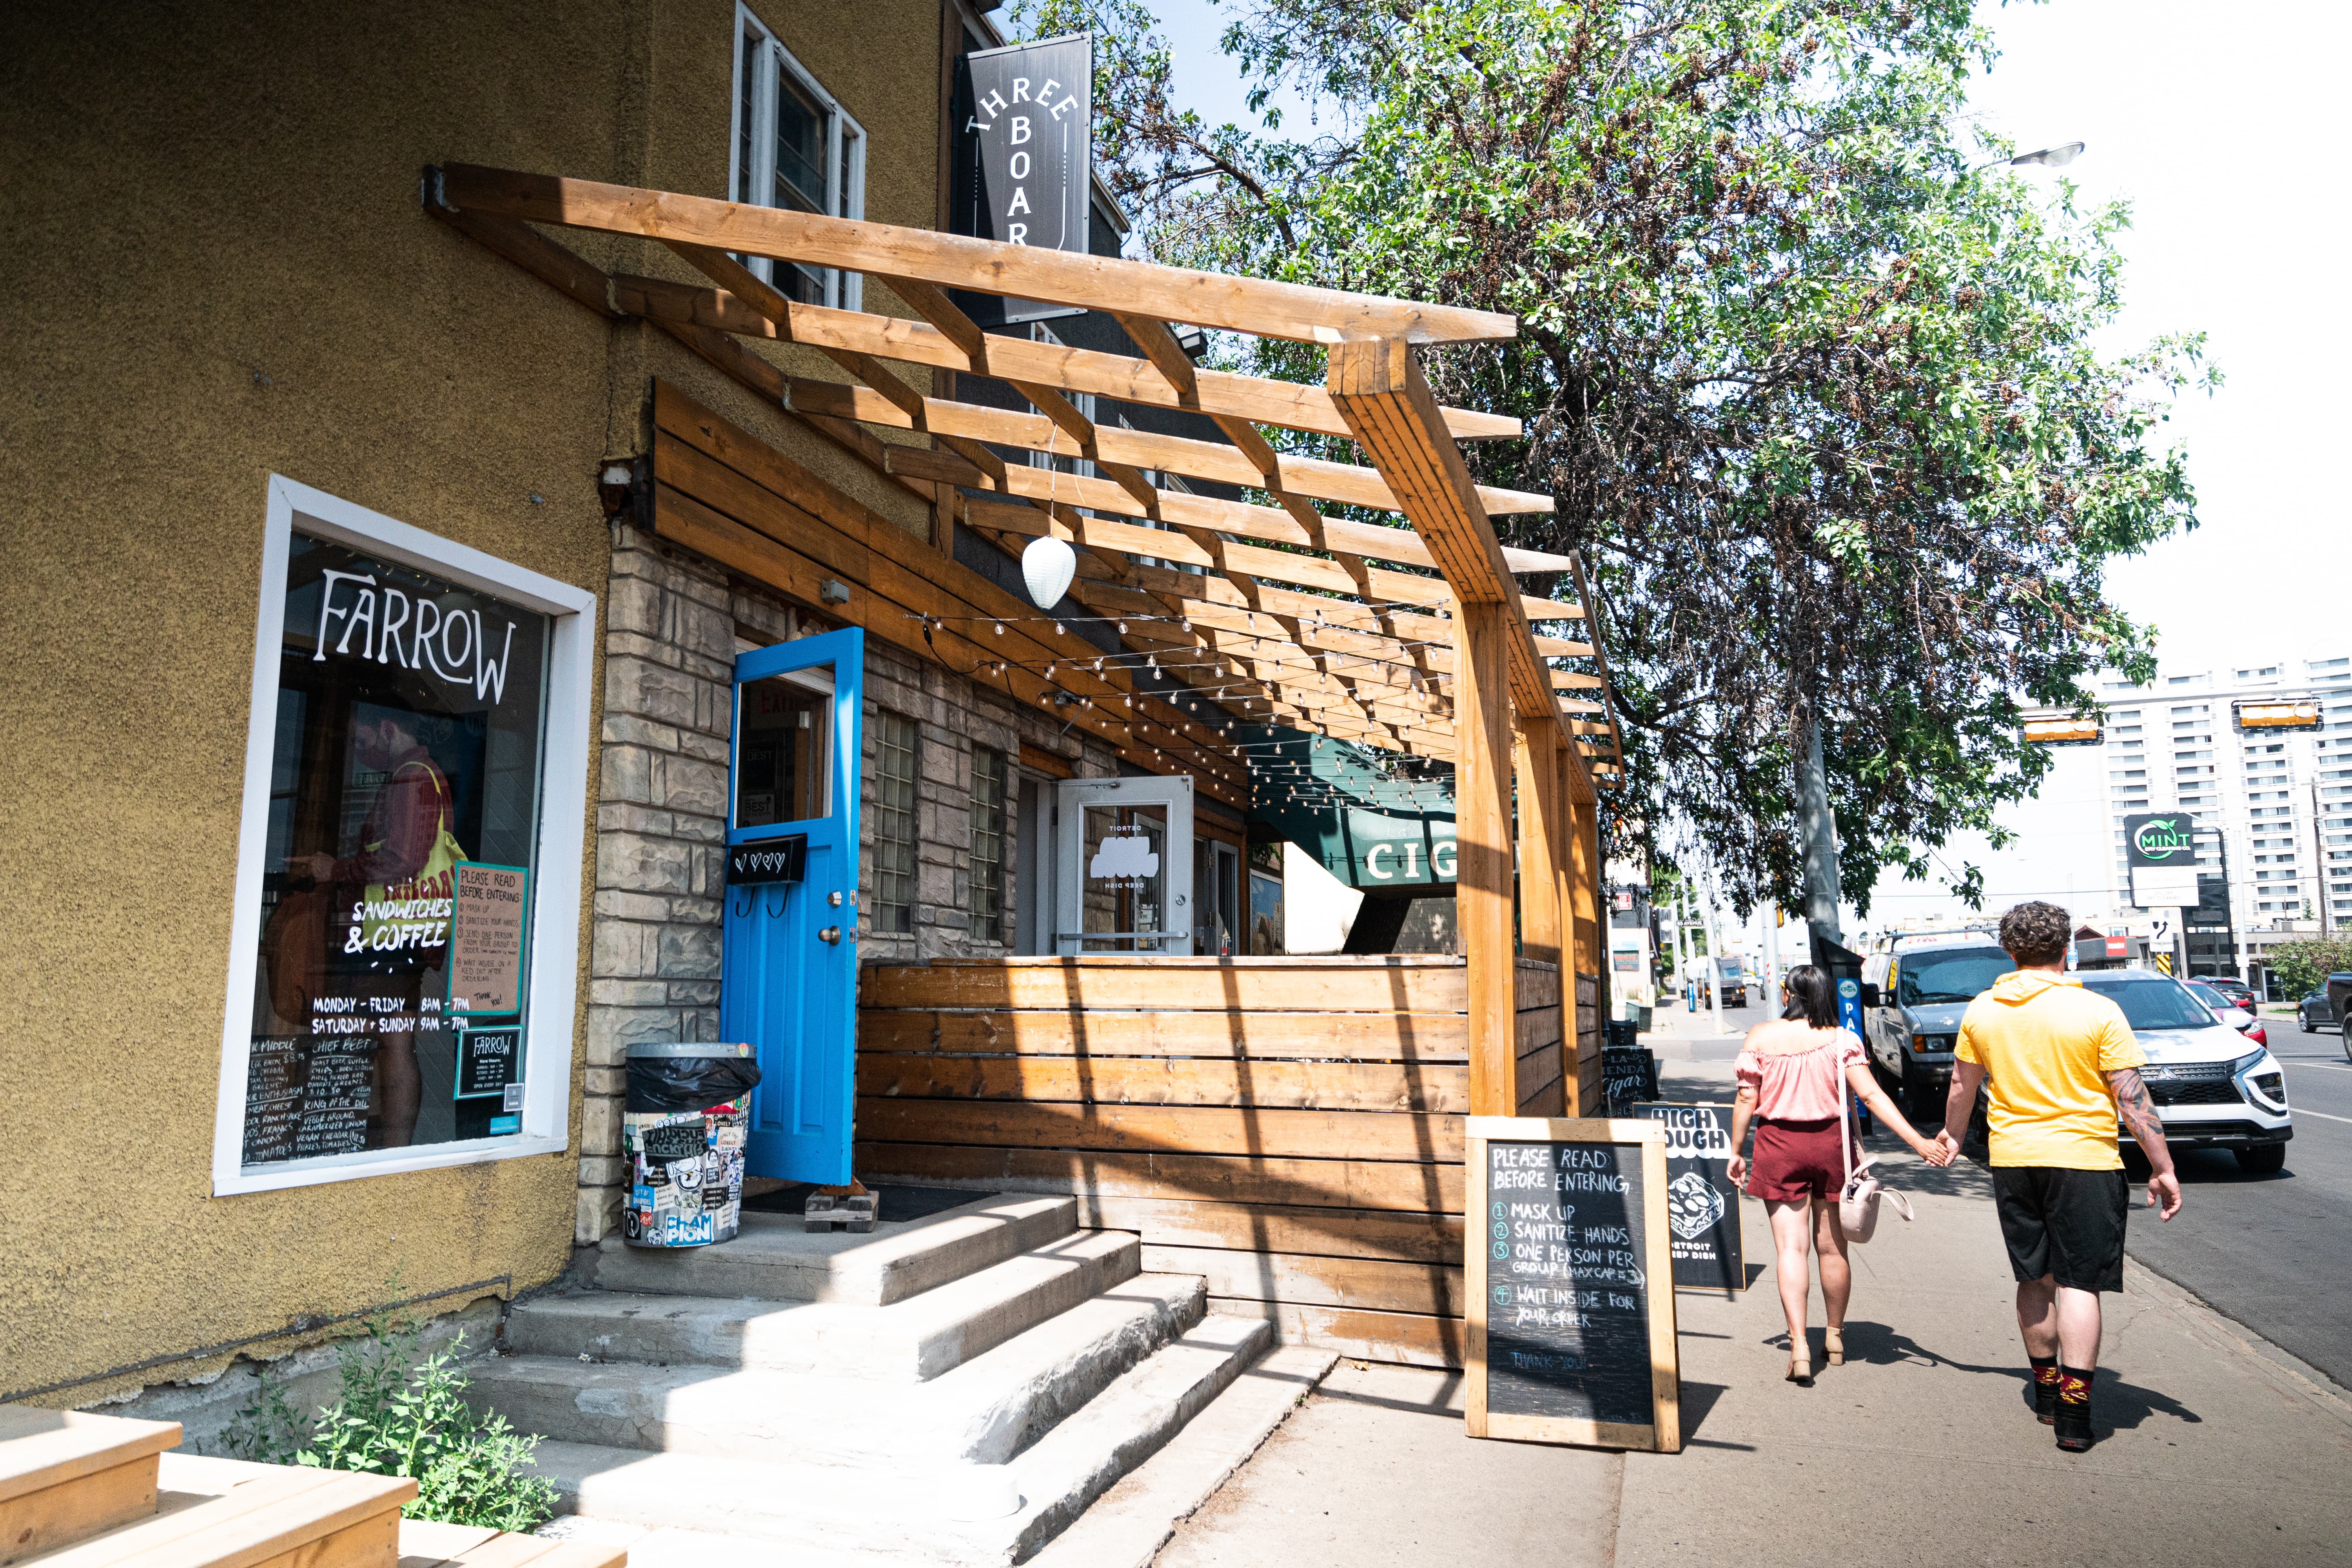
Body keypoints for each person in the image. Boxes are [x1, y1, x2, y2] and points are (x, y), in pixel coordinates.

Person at [1935, 901, 2181, 1452]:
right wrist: (2162, 1167)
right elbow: (2131, 1097)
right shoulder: (2096, 1011)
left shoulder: (1983, 1010)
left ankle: (2046, 1394)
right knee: (2078, 1283)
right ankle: (2074, 1414)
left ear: (2009, 951)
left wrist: (1951, 1136)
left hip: (2014, 1161)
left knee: (2034, 1279)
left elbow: (1961, 1084)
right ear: (2066, 949)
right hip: (2085, 1161)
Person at [1726, 964, 1951, 1385]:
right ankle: (1834, 1337)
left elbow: (1745, 1098)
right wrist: (1918, 1142)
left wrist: (1736, 1151)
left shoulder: (1759, 1036)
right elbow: (1871, 1095)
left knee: (1791, 1250)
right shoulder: (1841, 1039)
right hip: (1833, 1147)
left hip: (1779, 1146)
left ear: (1788, 994)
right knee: (1833, 1250)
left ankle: (1798, 1345)